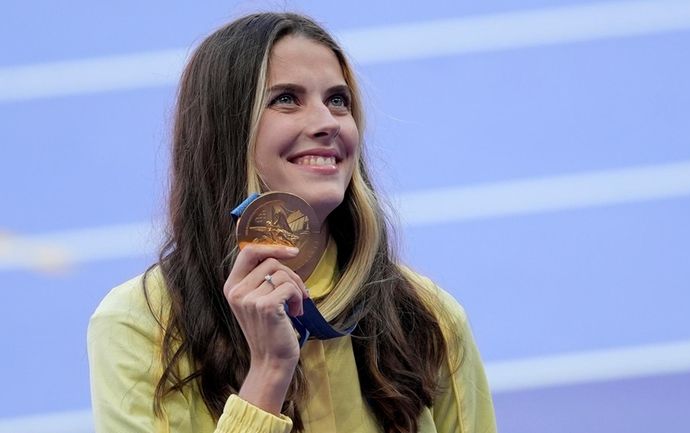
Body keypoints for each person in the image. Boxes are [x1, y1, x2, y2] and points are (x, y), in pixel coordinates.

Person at [88, 12, 497, 433]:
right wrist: (268, 372)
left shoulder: (427, 316)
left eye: (338, 100)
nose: (326, 123)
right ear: (227, 129)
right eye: (286, 98)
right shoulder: (140, 325)